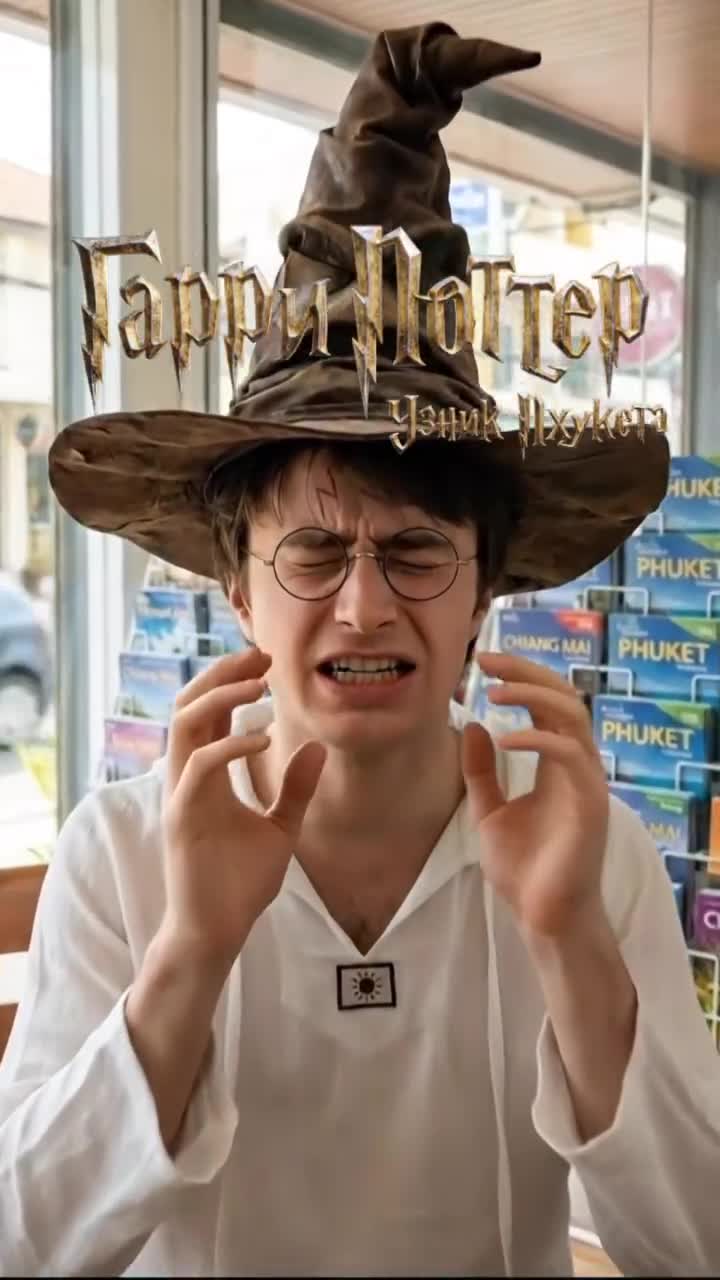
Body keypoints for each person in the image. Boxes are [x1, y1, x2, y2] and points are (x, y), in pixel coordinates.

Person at [3, 21, 720, 1279]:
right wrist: (191, 950)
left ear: (487, 587)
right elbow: (23, 1243)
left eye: (418, 550)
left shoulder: (585, 844)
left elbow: (697, 1242)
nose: (366, 606)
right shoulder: (123, 850)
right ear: (237, 591)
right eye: (314, 554)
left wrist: (567, 936)